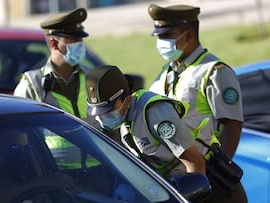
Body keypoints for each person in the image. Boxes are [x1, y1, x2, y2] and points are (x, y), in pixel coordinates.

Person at [147, 3, 246, 202]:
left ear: (189, 35)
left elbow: (232, 124)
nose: (161, 42)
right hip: (180, 180)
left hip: (212, 178)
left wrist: (219, 171)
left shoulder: (214, 71)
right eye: (159, 36)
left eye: (167, 35)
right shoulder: (167, 72)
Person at [85, 65, 206, 179]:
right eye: (99, 113)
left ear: (127, 100)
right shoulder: (125, 121)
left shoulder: (154, 113)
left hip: (203, 176)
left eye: (109, 110)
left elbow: (195, 162)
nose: (102, 117)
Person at [14, 8, 90, 120]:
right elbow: (20, 130)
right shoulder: (31, 85)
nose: (80, 45)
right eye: (73, 40)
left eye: (80, 40)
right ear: (54, 43)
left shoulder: (93, 77)